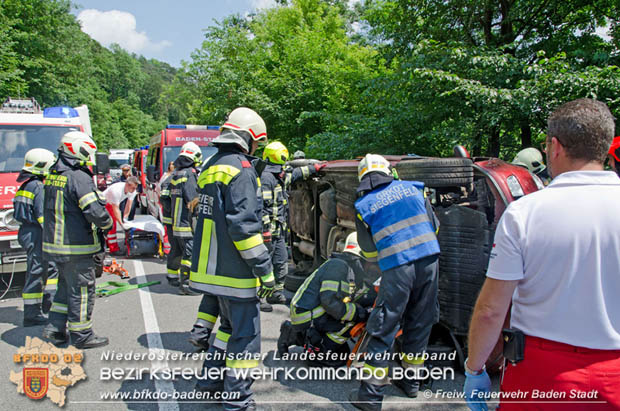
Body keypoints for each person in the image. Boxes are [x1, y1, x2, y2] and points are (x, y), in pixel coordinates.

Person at [463, 98, 620, 410]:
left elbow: (491, 310)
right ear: (604, 147)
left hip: (541, 374)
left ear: (555, 146)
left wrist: (474, 369)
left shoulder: (524, 213)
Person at [190, 107, 274, 410]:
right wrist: (265, 270)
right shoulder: (241, 169)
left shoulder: (211, 165)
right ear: (249, 138)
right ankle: (237, 400)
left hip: (210, 269)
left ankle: (210, 382)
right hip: (235, 272)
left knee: (226, 329)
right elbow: (243, 228)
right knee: (246, 338)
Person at [349, 154, 440, 410]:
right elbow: (434, 227)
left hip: (397, 266)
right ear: (390, 172)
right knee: (420, 320)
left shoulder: (364, 205)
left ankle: (369, 397)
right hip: (430, 260)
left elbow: (368, 253)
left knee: (384, 324)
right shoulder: (414, 189)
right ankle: (411, 383)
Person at [41, 131, 113, 349]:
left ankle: (55, 328)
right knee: (82, 291)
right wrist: (108, 224)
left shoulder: (54, 174)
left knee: (64, 288)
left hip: (56, 246)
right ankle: (82, 335)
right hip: (76, 246)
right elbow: (94, 211)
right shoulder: (78, 176)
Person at [277, 232, 377, 367]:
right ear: (359, 257)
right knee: (351, 321)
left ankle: (295, 334)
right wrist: (360, 313)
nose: (369, 267)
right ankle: (319, 353)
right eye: (368, 262)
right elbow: (330, 303)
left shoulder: (348, 269)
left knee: (348, 324)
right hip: (306, 315)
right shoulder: (338, 267)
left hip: (309, 313)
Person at [13, 148, 59, 326]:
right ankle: (32, 313)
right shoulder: (38, 187)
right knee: (37, 271)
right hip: (36, 233)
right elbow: (43, 217)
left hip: (28, 232)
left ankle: (49, 302)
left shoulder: (26, 185)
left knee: (50, 267)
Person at [169, 142, 202, 295]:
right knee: (189, 255)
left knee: (179, 252)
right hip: (187, 223)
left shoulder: (176, 173)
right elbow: (193, 200)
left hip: (176, 222)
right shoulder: (189, 174)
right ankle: (187, 285)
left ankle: (176, 278)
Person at [103, 177, 139, 254]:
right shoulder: (116, 191)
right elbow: (116, 210)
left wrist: (125, 219)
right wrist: (122, 224)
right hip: (105, 204)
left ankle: (108, 244)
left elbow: (128, 205)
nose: (133, 190)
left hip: (111, 204)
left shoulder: (133, 191)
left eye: (135, 188)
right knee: (112, 225)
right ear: (127, 185)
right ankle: (114, 249)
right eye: (132, 188)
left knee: (111, 225)